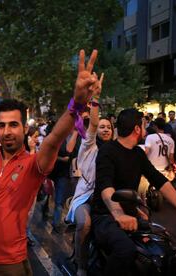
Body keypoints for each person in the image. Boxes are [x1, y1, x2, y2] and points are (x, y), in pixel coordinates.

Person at [0, 49, 100, 275]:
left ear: (25, 128)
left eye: (13, 125)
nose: (7, 131)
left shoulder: (33, 164)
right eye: (2, 125)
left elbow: (54, 139)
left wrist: (78, 103)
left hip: (9, 264)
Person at [91, 108, 176, 276]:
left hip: (131, 215)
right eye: (144, 124)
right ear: (137, 129)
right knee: (126, 250)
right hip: (105, 216)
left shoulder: (138, 153)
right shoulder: (108, 150)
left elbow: (160, 182)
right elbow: (105, 186)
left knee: (165, 248)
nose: (146, 127)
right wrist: (118, 214)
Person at [64, 74, 110, 276]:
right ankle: (81, 266)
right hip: (86, 196)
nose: (105, 129)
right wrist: (95, 98)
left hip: (109, 199)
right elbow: (91, 125)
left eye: (109, 127)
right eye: (102, 126)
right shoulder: (89, 145)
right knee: (85, 224)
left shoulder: (116, 150)